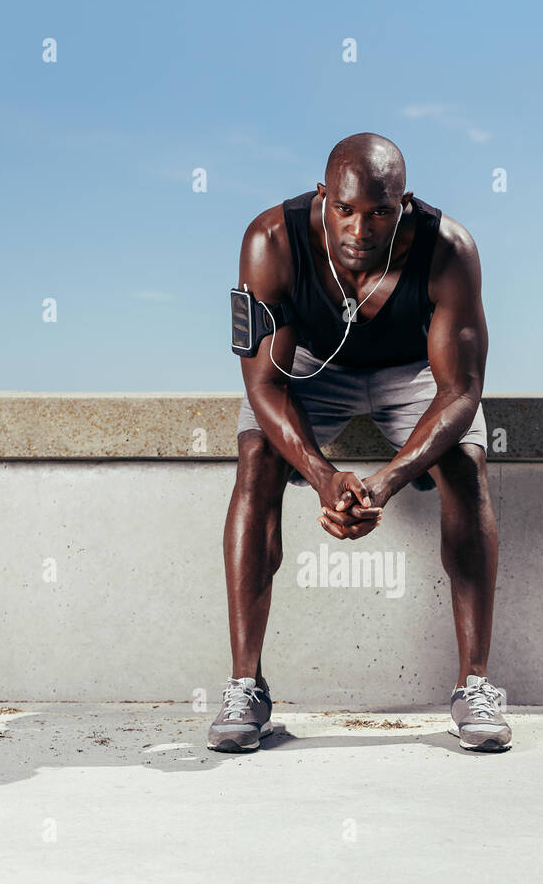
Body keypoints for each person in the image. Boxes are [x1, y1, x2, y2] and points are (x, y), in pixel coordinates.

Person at [208, 132, 511, 754]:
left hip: (414, 373)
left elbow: (461, 390)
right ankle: (245, 686)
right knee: (257, 457)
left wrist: (384, 482)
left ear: (404, 203)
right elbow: (263, 383)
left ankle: (475, 686)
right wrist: (324, 477)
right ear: (324, 197)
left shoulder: (449, 248)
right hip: (309, 368)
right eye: (344, 209)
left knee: (465, 464)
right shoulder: (271, 240)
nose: (359, 228)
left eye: (378, 212)